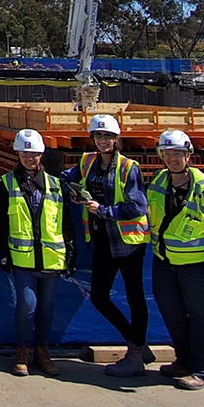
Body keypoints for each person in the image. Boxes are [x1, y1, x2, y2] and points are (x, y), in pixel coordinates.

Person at [60, 113, 153, 377]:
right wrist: (76, 193)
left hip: (128, 243)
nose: (103, 141)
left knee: (136, 298)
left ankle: (135, 354)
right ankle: (137, 342)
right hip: (102, 242)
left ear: (117, 139)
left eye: (108, 136)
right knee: (99, 296)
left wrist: (103, 210)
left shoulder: (128, 167)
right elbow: (67, 178)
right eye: (99, 136)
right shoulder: (87, 161)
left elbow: (137, 206)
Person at [148, 129, 204, 390]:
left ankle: (203, 370)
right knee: (173, 315)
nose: (173, 159)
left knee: (202, 317)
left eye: (178, 154)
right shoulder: (159, 182)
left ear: (189, 155)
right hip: (166, 263)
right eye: (168, 154)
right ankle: (183, 362)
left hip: (200, 266)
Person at [0, 128, 75, 377]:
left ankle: (42, 351)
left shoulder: (55, 184)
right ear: (17, 154)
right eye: (25, 153)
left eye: (34, 153)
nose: (29, 158)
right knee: (26, 306)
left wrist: (70, 254)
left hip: (51, 259)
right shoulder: (8, 182)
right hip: (22, 258)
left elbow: (66, 222)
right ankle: (23, 351)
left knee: (46, 308)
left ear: (41, 154)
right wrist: (3, 253)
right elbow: (1, 222)